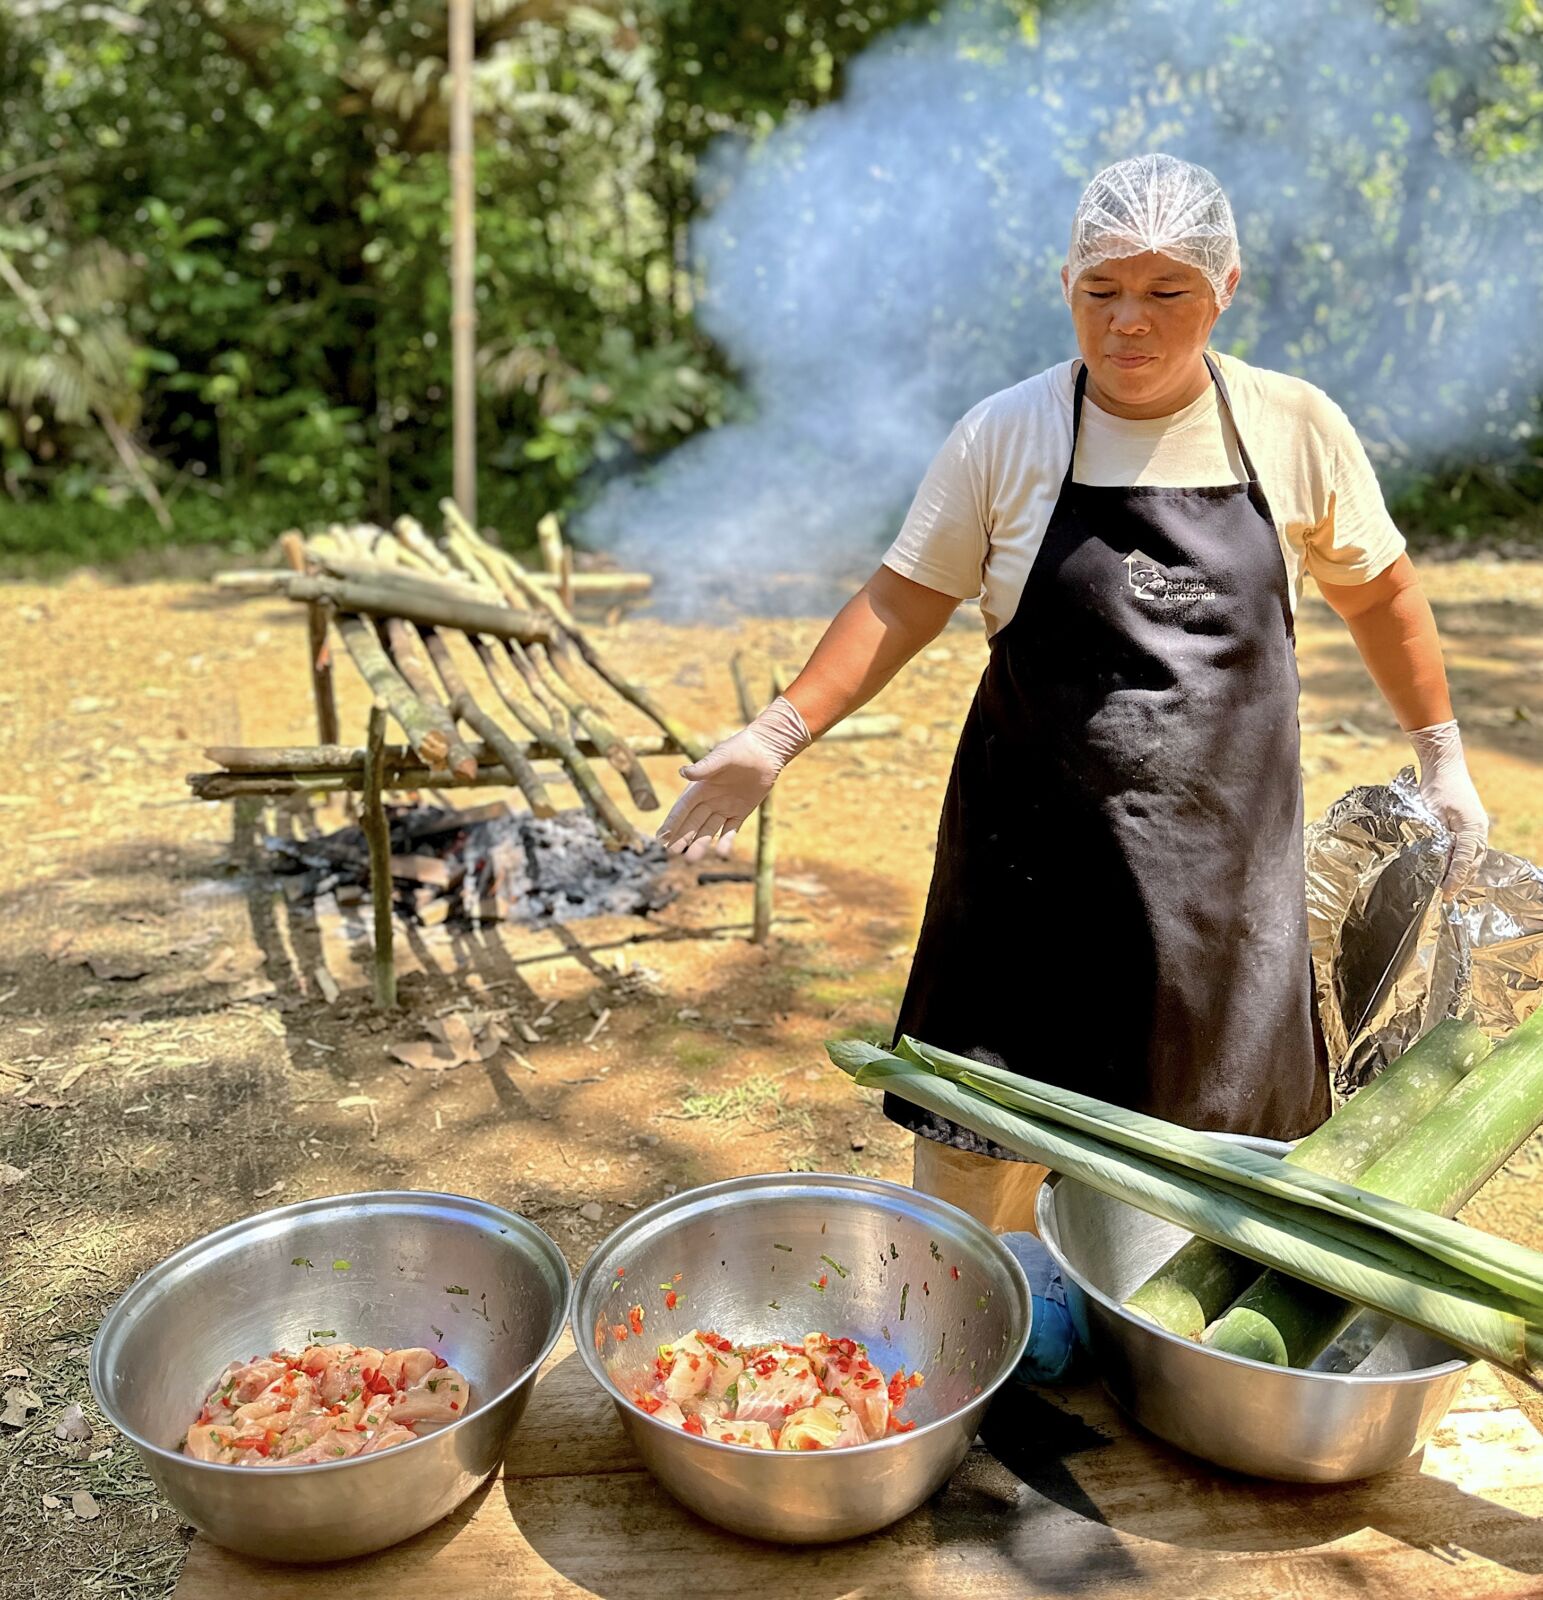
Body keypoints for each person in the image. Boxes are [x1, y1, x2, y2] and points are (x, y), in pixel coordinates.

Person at [656, 153, 1489, 1236]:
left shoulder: (1290, 427)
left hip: (1220, 902)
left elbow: (1379, 591)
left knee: (1197, 1207)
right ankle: (984, 1356)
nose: (1126, 324)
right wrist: (776, 733)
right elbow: (901, 602)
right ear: (1064, 286)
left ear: (1225, 289)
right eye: (1101, 292)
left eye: (1164, 293)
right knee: (977, 1189)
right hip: (1027, 885)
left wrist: (1442, 754)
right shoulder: (1008, 434)